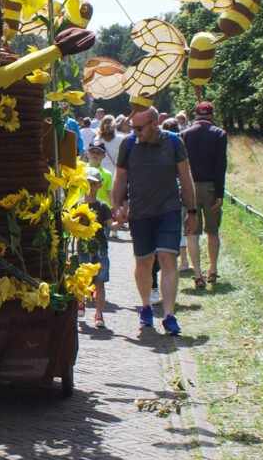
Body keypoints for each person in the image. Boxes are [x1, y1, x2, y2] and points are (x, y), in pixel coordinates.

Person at [111, 106, 197, 336]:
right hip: (140, 213)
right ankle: (146, 306)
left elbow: (185, 177)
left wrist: (192, 211)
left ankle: (169, 315)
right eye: (133, 127)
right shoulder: (128, 144)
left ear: (155, 123)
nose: (135, 132)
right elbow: (120, 177)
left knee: (168, 259)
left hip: (168, 210)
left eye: (139, 128)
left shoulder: (174, 143)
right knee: (143, 262)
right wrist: (117, 206)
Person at [182, 101, 228, 288]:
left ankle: (198, 273)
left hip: (189, 187)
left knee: (192, 232)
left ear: (195, 115)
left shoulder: (184, 134)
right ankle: (213, 269)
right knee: (212, 231)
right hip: (210, 186)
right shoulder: (219, 134)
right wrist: (220, 192)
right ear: (212, 115)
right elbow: (220, 166)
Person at [161, 118, 191, 272]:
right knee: (181, 227)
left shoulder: (166, 144)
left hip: (171, 190)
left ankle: (179, 260)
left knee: (176, 227)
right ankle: (184, 260)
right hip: (183, 188)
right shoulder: (182, 141)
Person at [84, 167, 113, 329]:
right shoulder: (78, 205)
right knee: (80, 280)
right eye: (87, 183)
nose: (90, 186)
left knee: (100, 282)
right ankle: (80, 303)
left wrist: (120, 221)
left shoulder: (102, 206)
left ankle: (99, 313)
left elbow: (111, 225)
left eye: (93, 183)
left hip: (100, 248)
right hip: (82, 249)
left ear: (100, 185)